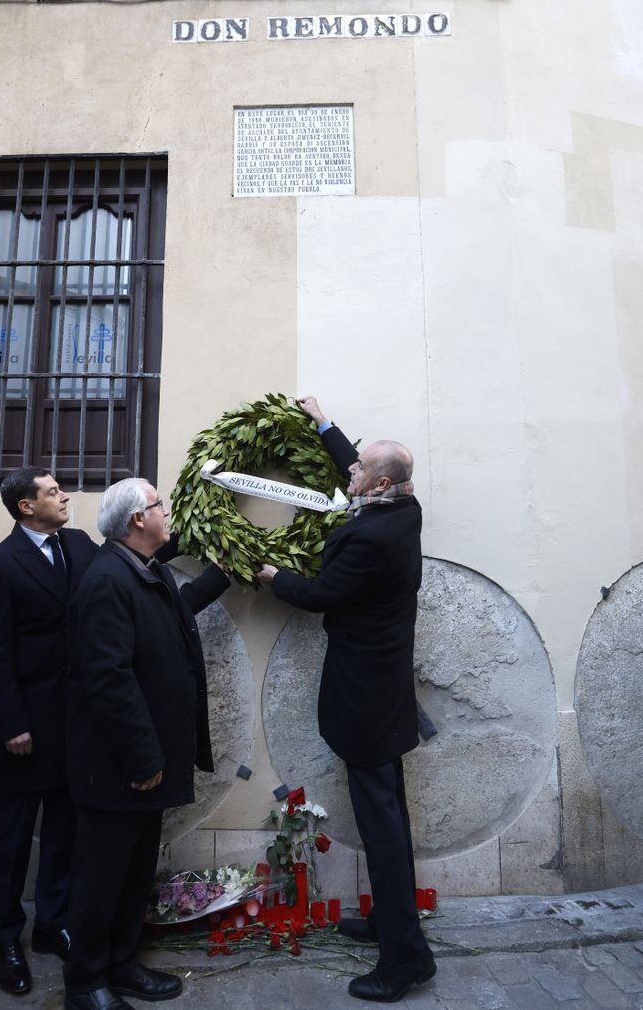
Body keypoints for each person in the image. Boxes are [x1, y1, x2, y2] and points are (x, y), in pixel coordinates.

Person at [257, 397, 436, 1003]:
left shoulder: (373, 538)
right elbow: (365, 468)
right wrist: (324, 425)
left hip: (366, 698)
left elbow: (318, 593)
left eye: (358, 469)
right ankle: (393, 925)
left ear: (380, 482)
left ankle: (404, 961)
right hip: (382, 694)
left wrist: (271, 576)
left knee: (383, 827)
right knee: (388, 815)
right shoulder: (402, 508)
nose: (349, 473)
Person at [62, 477, 229, 1010]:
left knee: (133, 872)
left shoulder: (144, 571)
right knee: (102, 876)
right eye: (159, 505)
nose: (167, 512)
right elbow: (108, 679)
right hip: (121, 766)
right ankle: (85, 983)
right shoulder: (108, 579)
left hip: (147, 761)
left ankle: (121, 963)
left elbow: (176, 615)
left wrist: (225, 574)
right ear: (138, 520)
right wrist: (142, 756)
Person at [0, 467, 97, 994]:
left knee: (65, 828)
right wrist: (12, 725)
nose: (64, 496)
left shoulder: (78, 542)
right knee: (14, 835)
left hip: (76, 721)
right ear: (26, 506)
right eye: (52, 492)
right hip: (28, 724)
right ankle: (5, 936)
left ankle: (53, 924)